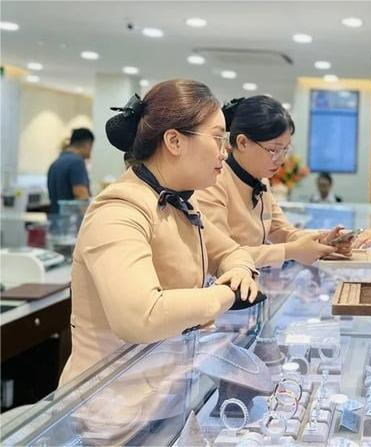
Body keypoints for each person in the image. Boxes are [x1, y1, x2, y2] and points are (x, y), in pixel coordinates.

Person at [60, 80, 259, 385]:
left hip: (163, 391)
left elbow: (233, 252)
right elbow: (142, 317)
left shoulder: (178, 203)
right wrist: (225, 295)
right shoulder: (119, 210)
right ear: (174, 141)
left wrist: (240, 270)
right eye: (218, 138)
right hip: (112, 408)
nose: (225, 152)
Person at [197, 96, 347, 268]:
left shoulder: (262, 180)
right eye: (274, 150)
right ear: (243, 142)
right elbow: (221, 255)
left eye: (285, 150)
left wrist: (322, 241)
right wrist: (290, 251)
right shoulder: (213, 181)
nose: (281, 159)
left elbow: (280, 229)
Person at [47, 128, 94, 214]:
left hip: (56, 221)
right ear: (87, 144)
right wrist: (90, 218)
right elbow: (80, 195)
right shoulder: (77, 162)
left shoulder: (55, 163)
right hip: (71, 222)